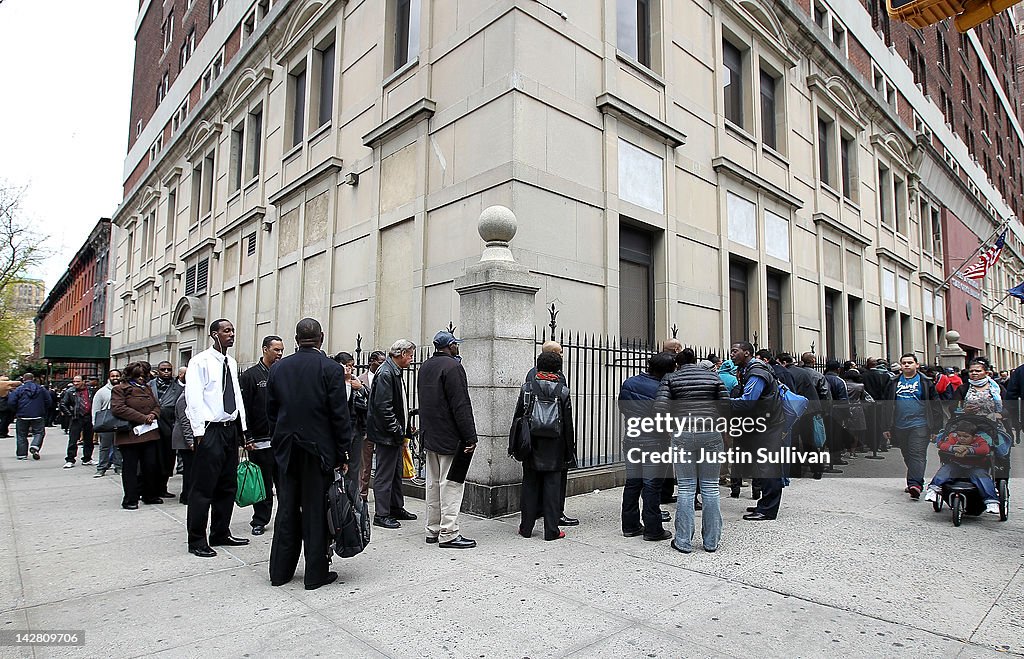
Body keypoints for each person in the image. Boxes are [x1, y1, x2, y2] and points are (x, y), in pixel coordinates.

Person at [267, 318, 353, 590]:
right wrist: (343, 453)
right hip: (318, 450)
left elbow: (271, 411)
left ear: (295, 339)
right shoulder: (330, 369)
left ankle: (280, 572)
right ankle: (315, 573)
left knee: (287, 507)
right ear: (321, 338)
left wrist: (280, 439)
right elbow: (340, 415)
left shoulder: (279, 368)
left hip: (287, 448)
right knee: (315, 509)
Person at [184, 319, 249, 558]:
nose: (231, 334)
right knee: (203, 487)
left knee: (227, 485)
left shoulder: (230, 362)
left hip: (230, 429)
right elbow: (194, 398)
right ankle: (197, 539)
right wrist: (199, 432)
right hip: (210, 429)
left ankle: (220, 531)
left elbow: (236, 397)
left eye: (233, 330)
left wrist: (242, 428)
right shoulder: (199, 362)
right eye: (226, 331)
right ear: (214, 334)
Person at [655, 351, 729, 552]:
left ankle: (683, 541)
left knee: (686, 488)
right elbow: (726, 406)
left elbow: (660, 408)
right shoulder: (713, 376)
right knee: (711, 488)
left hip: (683, 433)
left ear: (677, 364)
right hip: (711, 431)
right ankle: (711, 541)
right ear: (696, 362)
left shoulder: (672, 378)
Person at [417, 331, 478, 549]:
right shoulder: (453, 367)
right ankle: (449, 532)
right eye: (455, 345)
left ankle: (432, 529)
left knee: (433, 484)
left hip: (430, 434)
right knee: (451, 485)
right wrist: (470, 436)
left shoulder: (425, 366)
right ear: (450, 346)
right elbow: (460, 405)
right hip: (449, 436)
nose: (457, 348)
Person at [514, 351, 577, 540]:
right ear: (558, 369)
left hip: (531, 443)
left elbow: (519, 415)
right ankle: (551, 530)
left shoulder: (527, 388)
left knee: (530, 485)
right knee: (552, 487)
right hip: (555, 445)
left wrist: (516, 443)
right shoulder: (563, 391)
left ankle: (526, 528)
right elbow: (567, 424)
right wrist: (569, 449)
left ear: (537, 366)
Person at [619, 352, 676, 541]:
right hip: (655, 441)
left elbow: (623, 407)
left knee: (633, 483)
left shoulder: (629, 383)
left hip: (632, 437)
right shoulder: (664, 388)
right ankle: (653, 529)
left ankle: (630, 525)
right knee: (652, 486)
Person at [729, 342, 786, 521]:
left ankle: (768, 509)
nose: (731, 354)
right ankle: (765, 503)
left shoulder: (756, 372)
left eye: (735, 351)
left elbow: (748, 401)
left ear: (746, 353)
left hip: (767, 425)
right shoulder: (752, 370)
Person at [367, 339, 419, 529]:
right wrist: (397, 430)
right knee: (385, 474)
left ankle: (396, 507)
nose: (412, 359)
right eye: (411, 355)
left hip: (393, 434)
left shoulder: (392, 371)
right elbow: (384, 408)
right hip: (387, 435)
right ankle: (382, 514)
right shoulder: (387, 373)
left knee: (396, 473)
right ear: (402, 354)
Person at [239, 335, 285, 536]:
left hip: (281, 440)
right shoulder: (250, 376)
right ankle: (260, 519)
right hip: (259, 441)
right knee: (263, 483)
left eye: (282, 350)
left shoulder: (283, 373)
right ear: (265, 349)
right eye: (276, 350)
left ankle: (286, 518)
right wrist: (246, 437)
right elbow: (243, 409)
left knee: (284, 483)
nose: (280, 354)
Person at [881, 353, 941, 500]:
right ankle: (917, 479)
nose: (906, 365)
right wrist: (885, 427)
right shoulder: (893, 382)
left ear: (917, 365)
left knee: (917, 454)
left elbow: (935, 405)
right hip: (900, 425)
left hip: (920, 424)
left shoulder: (926, 382)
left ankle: (915, 485)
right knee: (907, 454)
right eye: (904, 363)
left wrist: (935, 429)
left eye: (910, 362)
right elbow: (886, 405)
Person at [110, 362, 163, 509]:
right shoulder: (120, 389)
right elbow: (118, 408)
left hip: (149, 432)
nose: (141, 378)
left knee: (150, 466)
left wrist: (153, 414)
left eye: (143, 375)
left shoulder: (147, 388)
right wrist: (142, 418)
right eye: (138, 376)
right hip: (130, 434)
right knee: (130, 468)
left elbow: (157, 405)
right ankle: (130, 498)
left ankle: (149, 494)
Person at [923, 420, 1002, 513]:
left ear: (974, 437)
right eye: (959, 436)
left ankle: (991, 501)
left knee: (982, 478)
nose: (962, 438)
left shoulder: (979, 440)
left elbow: (985, 449)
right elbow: (941, 445)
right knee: (945, 470)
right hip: (956, 465)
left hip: (975, 467)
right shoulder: (953, 440)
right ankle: (933, 489)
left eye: (966, 436)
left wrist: (969, 450)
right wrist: (953, 448)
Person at [148, 361, 183, 498]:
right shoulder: (149, 386)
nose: (166, 372)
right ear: (158, 370)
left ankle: (163, 487)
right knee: (152, 459)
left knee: (167, 460)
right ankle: (150, 488)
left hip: (169, 428)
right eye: (163, 369)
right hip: (151, 427)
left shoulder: (178, 388)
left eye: (169, 369)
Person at [357, 350, 385, 500]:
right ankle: (362, 494)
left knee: (382, 464)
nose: (382, 365)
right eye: (380, 362)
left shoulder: (386, 377)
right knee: (365, 464)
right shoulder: (360, 379)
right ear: (372, 362)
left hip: (382, 428)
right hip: (367, 428)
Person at [92, 369, 123, 477]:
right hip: (105, 424)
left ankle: (118, 467)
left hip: (119, 423)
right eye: (113, 376)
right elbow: (96, 409)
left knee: (118, 447)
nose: (115, 378)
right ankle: (101, 468)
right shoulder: (102, 392)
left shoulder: (124, 389)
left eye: (117, 375)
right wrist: (95, 423)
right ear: (109, 378)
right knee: (104, 447)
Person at [10, 373, 48, 460]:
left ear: (23, 379)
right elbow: (48, 400)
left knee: (21, 435)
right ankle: (35, 446)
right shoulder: (41, 389)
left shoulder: (19, 390)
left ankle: (22, 454)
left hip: (22, 415)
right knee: (39, 432)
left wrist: (16, 411)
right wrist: (43, 410)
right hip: (38, 414)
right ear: (33, 378)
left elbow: (11, 402)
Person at [60, 375, 95, 468]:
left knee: (89, 439)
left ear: (83, 381)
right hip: (76, 417)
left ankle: (87, 458)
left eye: (78, 382)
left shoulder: (90, 390)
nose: (75, 384)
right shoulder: (70, 391)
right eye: (74, 381)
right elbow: (63, 404)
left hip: (88, 417)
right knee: (73, 439)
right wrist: (70, 414)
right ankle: (70, 459)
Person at [171, 369, 193, 505]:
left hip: (188, 438)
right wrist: (190, 441)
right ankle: (186, 495)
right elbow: (185, 422)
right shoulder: (184, 398)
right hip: (184, 440)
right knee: (189, 469)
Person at [840, 369, 874, 453]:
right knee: (856, 432)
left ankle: (843, 448)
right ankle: (852, 451)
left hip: (843, 407)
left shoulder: (843, 384)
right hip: (857, 408)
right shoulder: (860, 386)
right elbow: (863, 398)